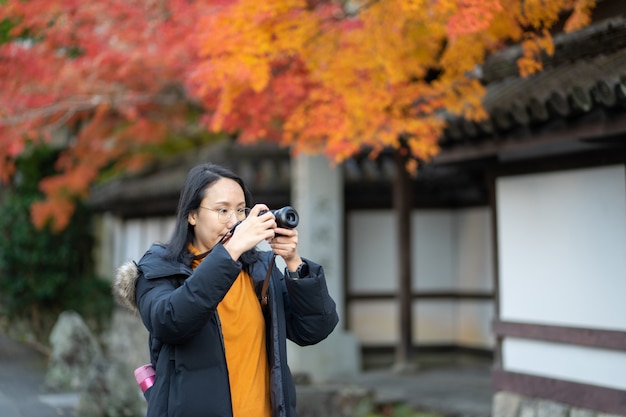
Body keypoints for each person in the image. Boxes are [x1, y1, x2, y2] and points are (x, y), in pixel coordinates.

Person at [113, 163, 339, 417]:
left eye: (241, 210)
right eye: (222, 210)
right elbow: (170, 321)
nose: (235, 221)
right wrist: (230, 252)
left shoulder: (256, 268)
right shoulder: (158, 268)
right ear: (192, 215)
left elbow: (313, 330)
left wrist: (294, 263)